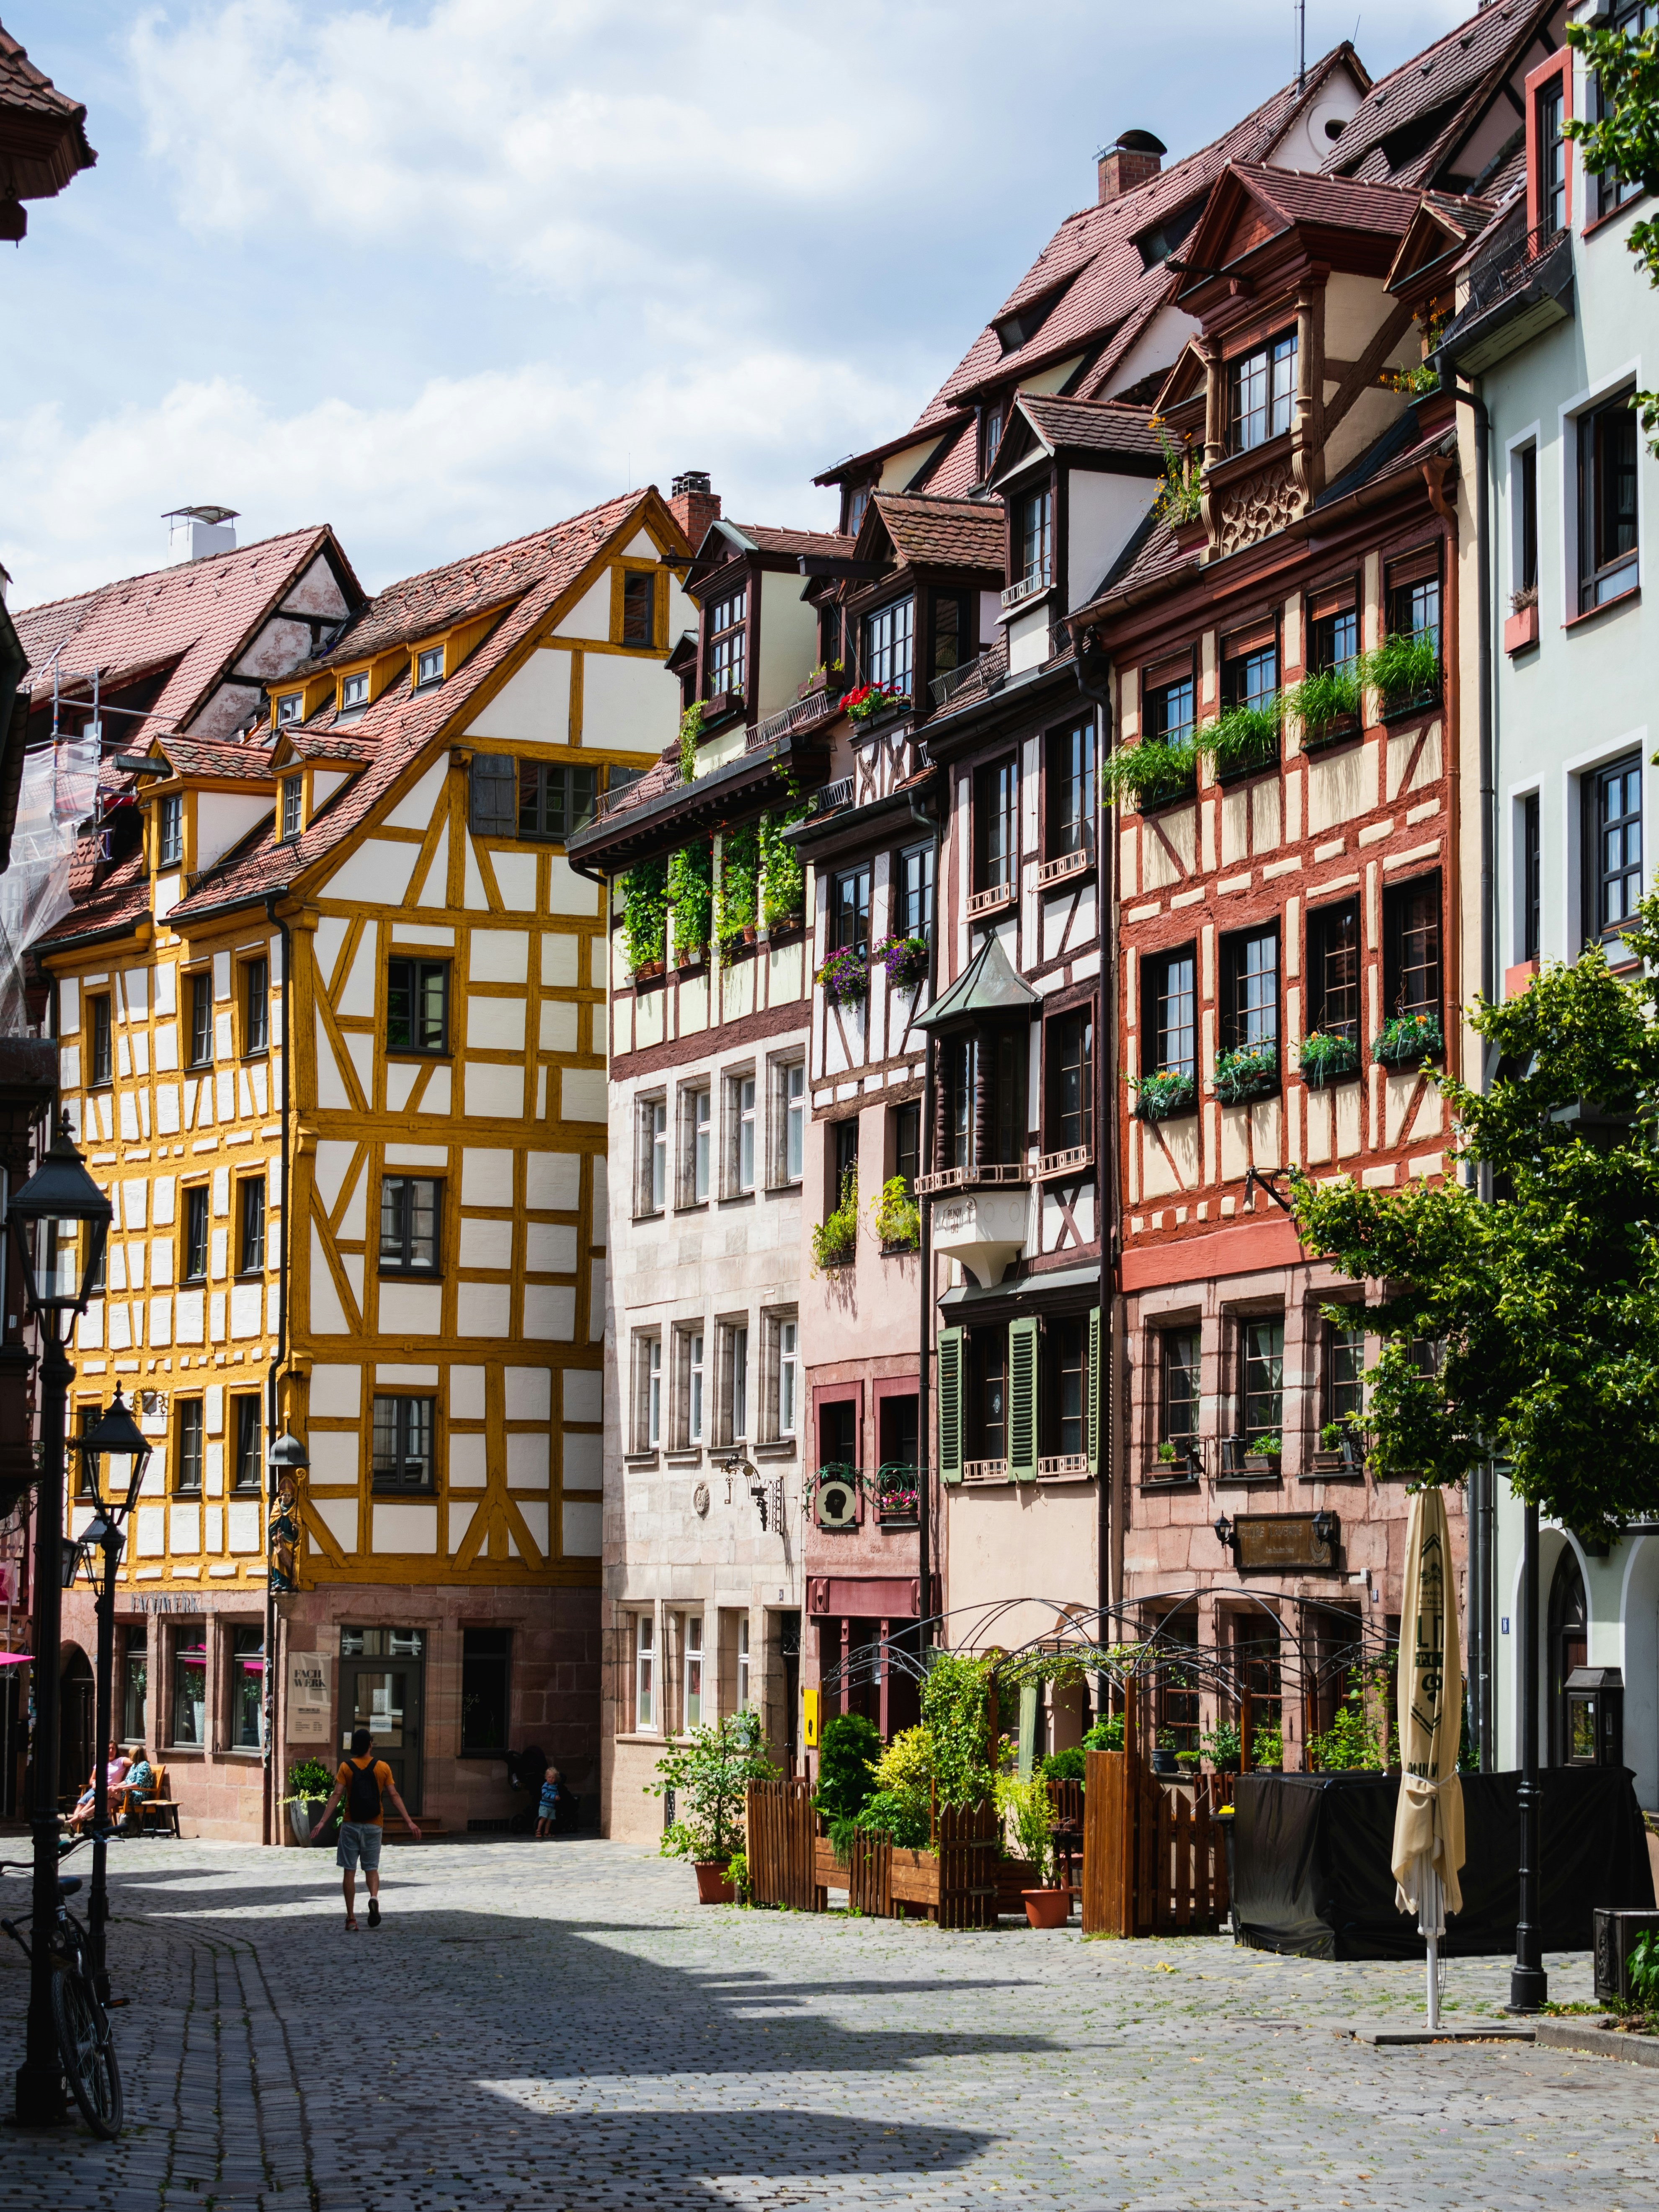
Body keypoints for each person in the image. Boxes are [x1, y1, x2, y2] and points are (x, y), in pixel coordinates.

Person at [308, 1728, 420, 1929]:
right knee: (371, 1868)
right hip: (374, 1825)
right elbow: (394, 1796)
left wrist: (323, 1821)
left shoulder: (346, 1767)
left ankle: (351, 1919)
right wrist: (409, 1822)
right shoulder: (383, 1767)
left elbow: (337, 1795)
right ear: (370, 1745)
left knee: (349, 1871)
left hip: (351, 1824)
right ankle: (374, 1897)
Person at [67, 1741, 130, 1833]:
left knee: (92, 1802)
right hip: (97, 1788)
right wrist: (94, 1784)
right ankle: (74, 1827)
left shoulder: (120, 1761)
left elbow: (134, 1761)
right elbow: (92, 1779)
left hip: (110, 1791)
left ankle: (72, 1824)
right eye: (109, 1749)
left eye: (113, 1749)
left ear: (117, 1751)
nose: (111, 1751)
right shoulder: (101, 1763)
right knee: (81, 1803)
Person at [113, 1746, 155, 1830]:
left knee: (110, 1791)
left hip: (139, 1796)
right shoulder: (134, 1765)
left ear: (135, 1754)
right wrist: (118, 1785)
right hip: (129, 1792)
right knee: (109, 1802)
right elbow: (127, 1780)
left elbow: (138, 1784)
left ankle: (86, 1814)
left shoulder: (144, 1766)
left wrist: (121, 1788)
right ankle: (106, 1828)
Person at [535, 1764, 563, 1839]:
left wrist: (558, 1797)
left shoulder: (555, 1786)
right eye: (549, 1777)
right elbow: (544, 1794)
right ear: (546, 1777)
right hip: (545, 1806)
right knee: (543, 1818)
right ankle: (538, 1831)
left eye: (553, 1778)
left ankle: (546, 1832)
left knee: (550, 1820)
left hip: (552, 1807)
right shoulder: (546, 1786)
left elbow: (556, 1793)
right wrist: (554, 1797)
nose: (551, 1779)